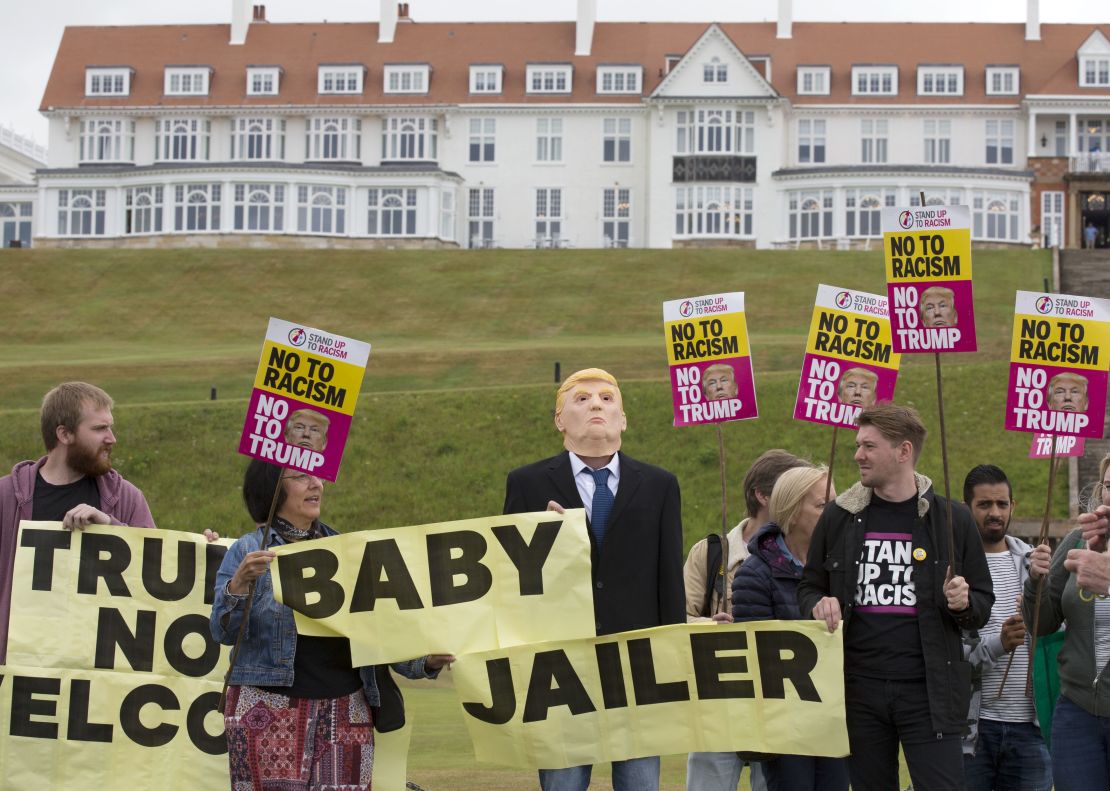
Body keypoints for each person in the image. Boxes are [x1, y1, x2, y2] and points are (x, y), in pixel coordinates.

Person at [211, 459, 453, 790]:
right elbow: (222, 631)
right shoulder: (247, 551)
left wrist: (422, 661)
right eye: (301, 477)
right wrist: (237, 586)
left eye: (318, 475)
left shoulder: (347, 548)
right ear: (273, 489)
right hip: (267, 712)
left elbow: (376, 628)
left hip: (346, 711)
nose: (316, 484)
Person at [503, 367, 684, 791]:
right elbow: (511, 579)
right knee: (563, 783)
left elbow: (668, 579)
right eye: (581, 399)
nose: (596, 404)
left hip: (639, 666)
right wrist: (538, 539)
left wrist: (674, 653)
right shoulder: (526, 483)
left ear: (623, 419)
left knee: (640, 782)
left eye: (607, 398)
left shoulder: (660, 486)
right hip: (560, 667)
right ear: (560, 420)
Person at [797, 402, 993, 791]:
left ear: (903, 451)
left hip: (930, 693)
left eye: (869, 446)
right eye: (857, 445)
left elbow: (982, 607)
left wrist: (963, 602)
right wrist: (818, 603)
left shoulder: (952, 519)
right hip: (858, 691)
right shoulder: (837, 516)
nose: (857, 455)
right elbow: (809, 586)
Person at [0, 381, 156, 663]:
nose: (112, 438)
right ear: (64, 433)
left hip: (94, 677)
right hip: (19, 671)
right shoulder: (6, 497)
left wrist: (112, 528)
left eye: (110, 427)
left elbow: (158, 576)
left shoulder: (126, 498)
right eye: (99, 429)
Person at [683, 449, 809, 791]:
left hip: (782, 704)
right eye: (794, 490)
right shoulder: (709, 553)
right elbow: (678, 618)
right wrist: (710, 627)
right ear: (762, 495)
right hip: (718, 699)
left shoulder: (809, 554)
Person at [732, 466, 849, 791]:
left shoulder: (842, 568)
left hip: (834, 720)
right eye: (822, 505)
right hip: (785, 727)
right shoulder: (754, 574)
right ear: (793, 512)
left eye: (836, 503)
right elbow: (755, 657)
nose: (834, 513)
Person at [960, 464, 1051, 791]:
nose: (994, 513)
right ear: (967, 507)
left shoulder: (1035, 565)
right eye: (984, 505)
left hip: (1031, 729)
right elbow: (948, 657)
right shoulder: (955, 570)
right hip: (972, 730)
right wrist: (999, 644)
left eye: (1002, 504)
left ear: (1013, 506)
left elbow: (1059, 637)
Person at [1024, 452, 1110, 790]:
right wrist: (1035, 581)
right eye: (1108, 485)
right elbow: (1041, 624)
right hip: (1078, 713)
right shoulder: (1079, 541)